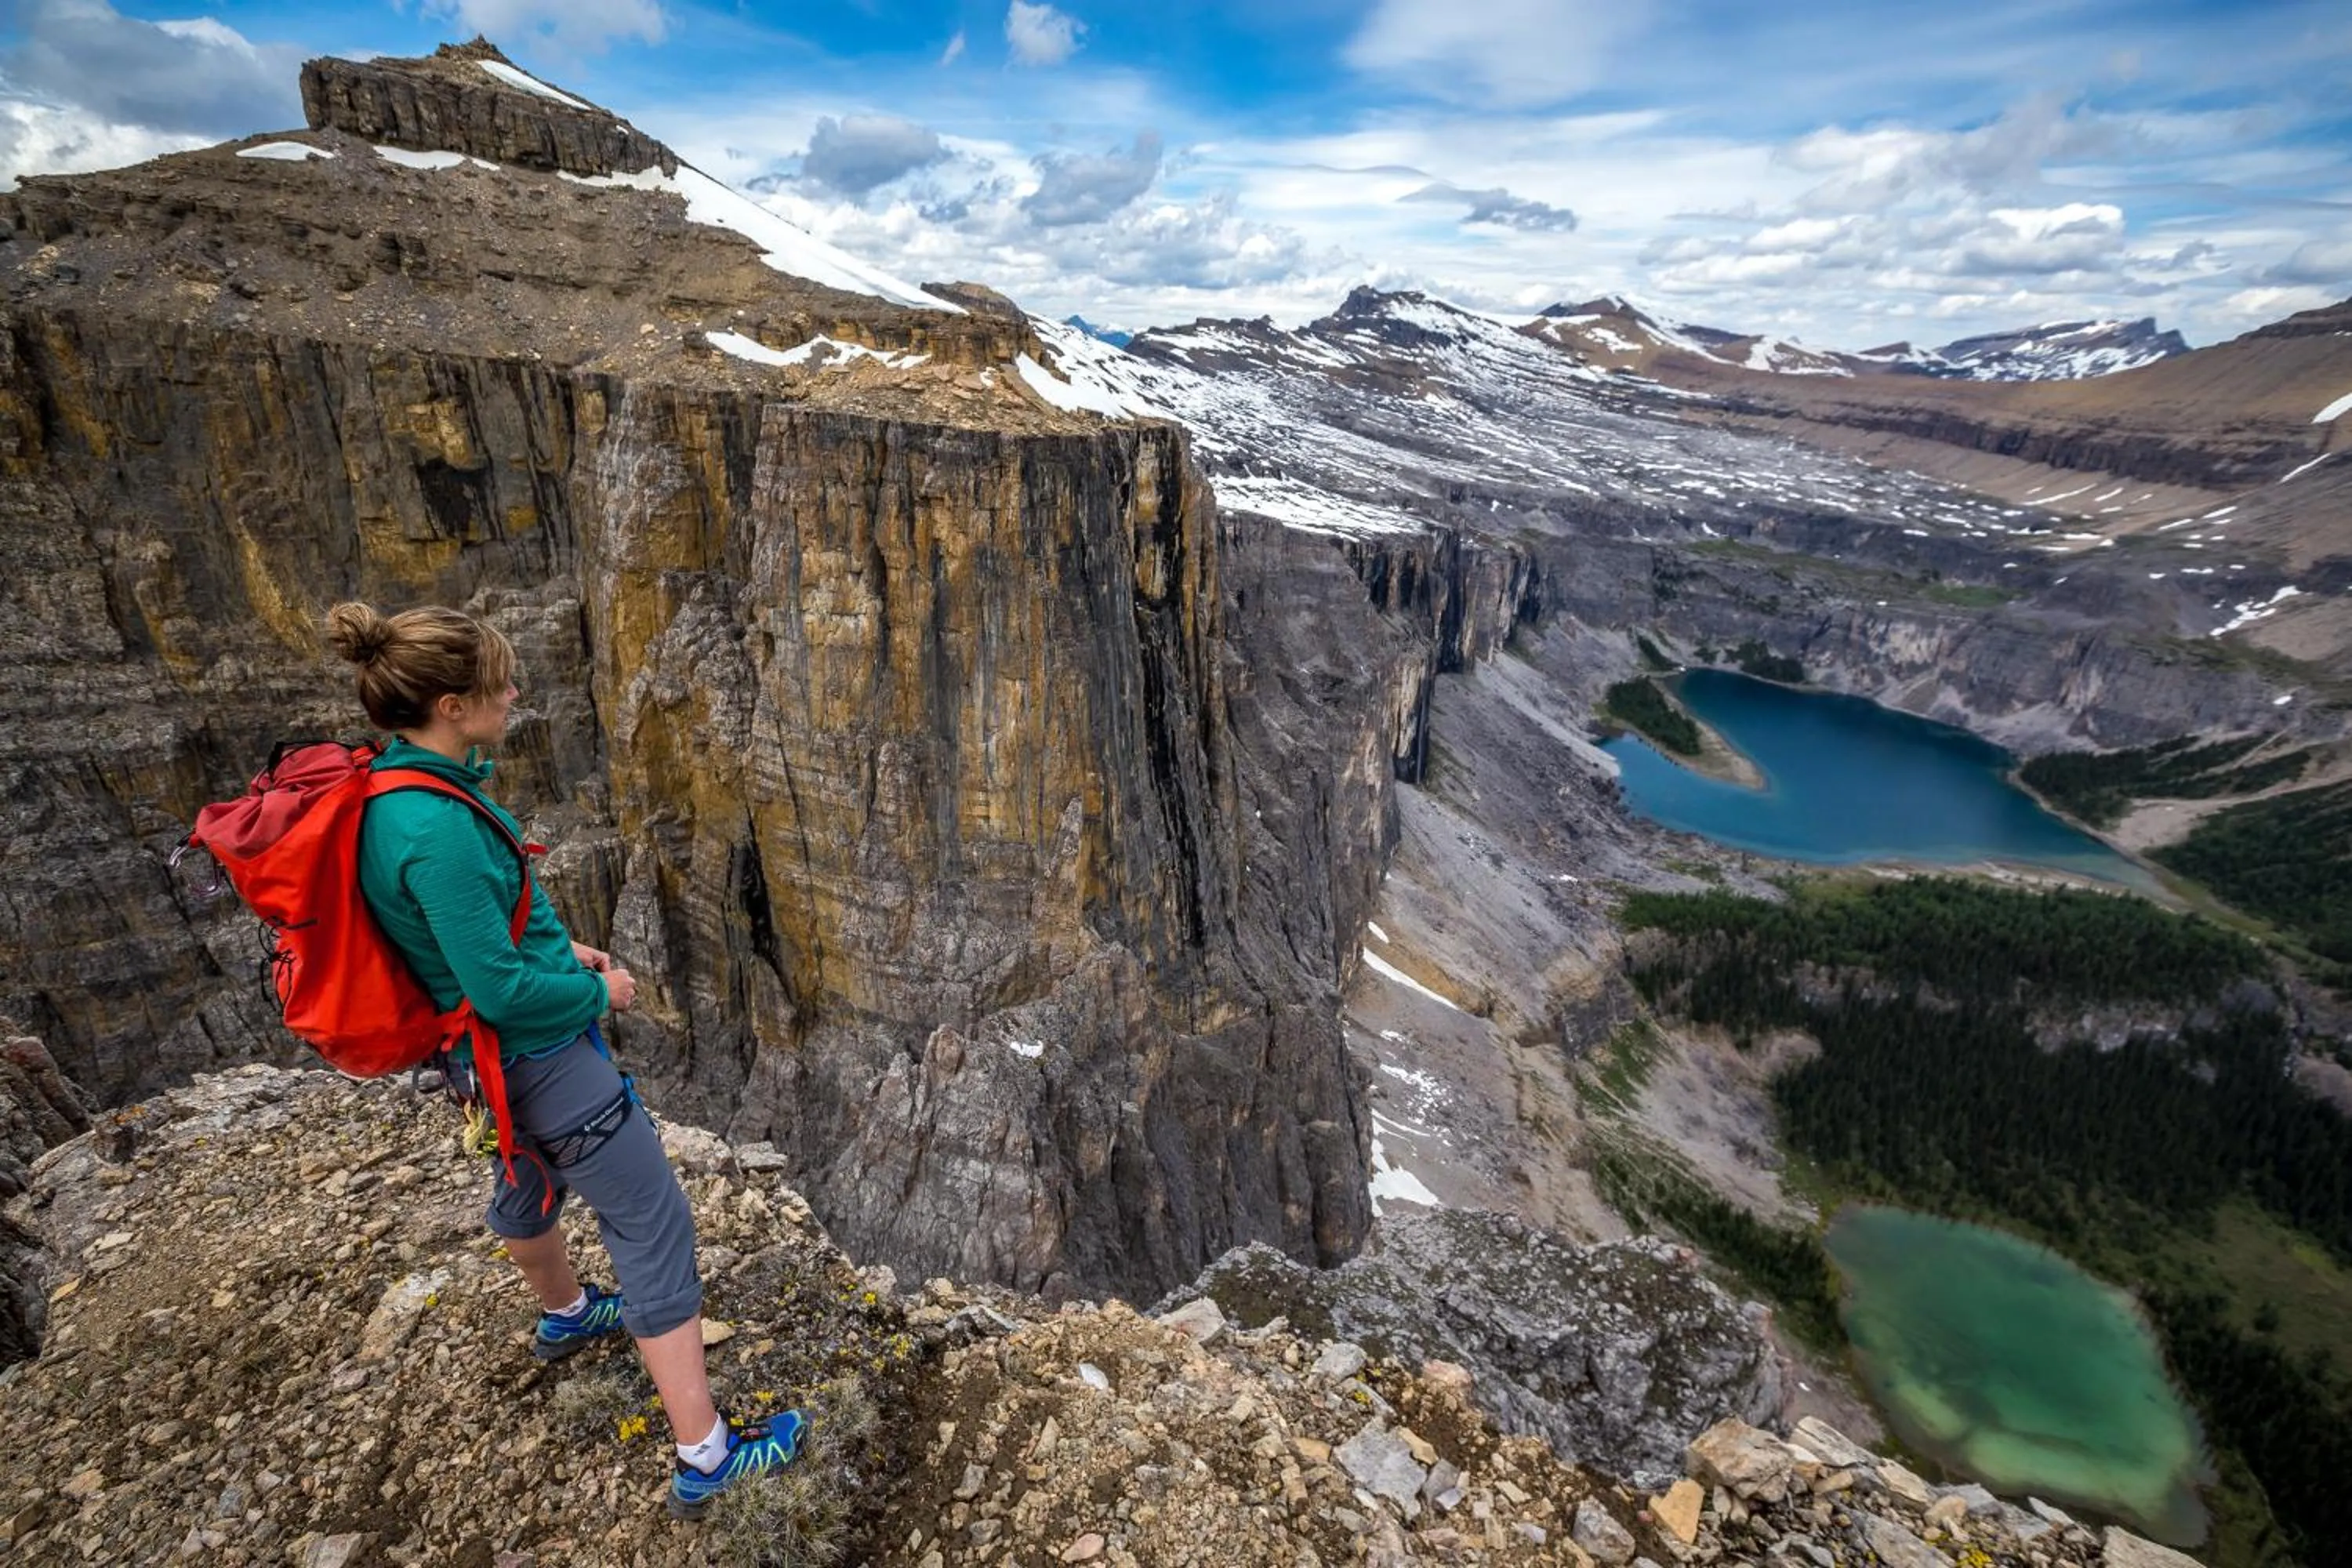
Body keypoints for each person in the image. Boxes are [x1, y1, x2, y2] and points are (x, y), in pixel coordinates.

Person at [324, 601, 804, 1519]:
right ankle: (707, 1453)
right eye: (498, 684)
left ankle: (568, 1312)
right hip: (540, 1058)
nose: (514, 693)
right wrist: (597, 992)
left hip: (485, 1065)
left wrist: (559, 950)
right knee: (653, 1222)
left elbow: (468, 946)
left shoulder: (395, 789)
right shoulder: (436, 829)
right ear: (452, 705)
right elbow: (502, 990)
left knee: (524, 1172)